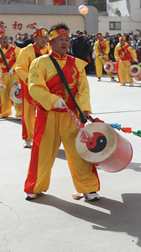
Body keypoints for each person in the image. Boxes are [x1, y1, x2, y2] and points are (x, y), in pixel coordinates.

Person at [24, 24, 100, 201]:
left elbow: (83, 89)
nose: (65, 43)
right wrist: (51, 99)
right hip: (47, 115)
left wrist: (83, 109)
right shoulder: (40, 63)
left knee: (79, 152)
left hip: (70, 116)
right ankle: (35, 186)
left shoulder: (76, 63)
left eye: (67, 40)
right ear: (50, 42)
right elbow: (34, 86)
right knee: (42, 152)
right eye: (60, 40)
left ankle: (88, 188)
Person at [14, 27, 50, 148]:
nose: (44, 40)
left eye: (45, 37)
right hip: (30, 86)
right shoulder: (26, 51)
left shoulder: (49, 50)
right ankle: (28, 137)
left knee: (47, 112)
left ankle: (44, 137)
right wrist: (29, 79)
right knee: (28, 113)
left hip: (46, 87)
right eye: (41, 37)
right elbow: (19, 68)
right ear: (34, 38)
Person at [0, 31, 21, 120]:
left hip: (14, 75)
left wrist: (13, 69)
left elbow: (19, 60)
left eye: (5, 38)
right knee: (3, 96)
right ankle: (4, 112)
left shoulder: (16, 49)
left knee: (17, 94)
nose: (4, 40)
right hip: (3, 76)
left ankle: (20, 113)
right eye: (1, 39)